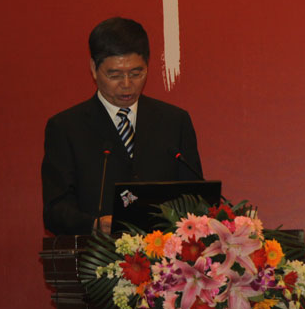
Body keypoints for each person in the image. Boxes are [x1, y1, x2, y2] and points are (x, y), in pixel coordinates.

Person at [42, 17, 203, 235]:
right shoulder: (66, 128)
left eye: (136, 73)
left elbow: (195, 200)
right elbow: (55, 210)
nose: (127, 85)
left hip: (162, 252)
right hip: (97, 252)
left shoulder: (174, 121)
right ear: (93, 68)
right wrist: (94, 224)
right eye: (115, 75)